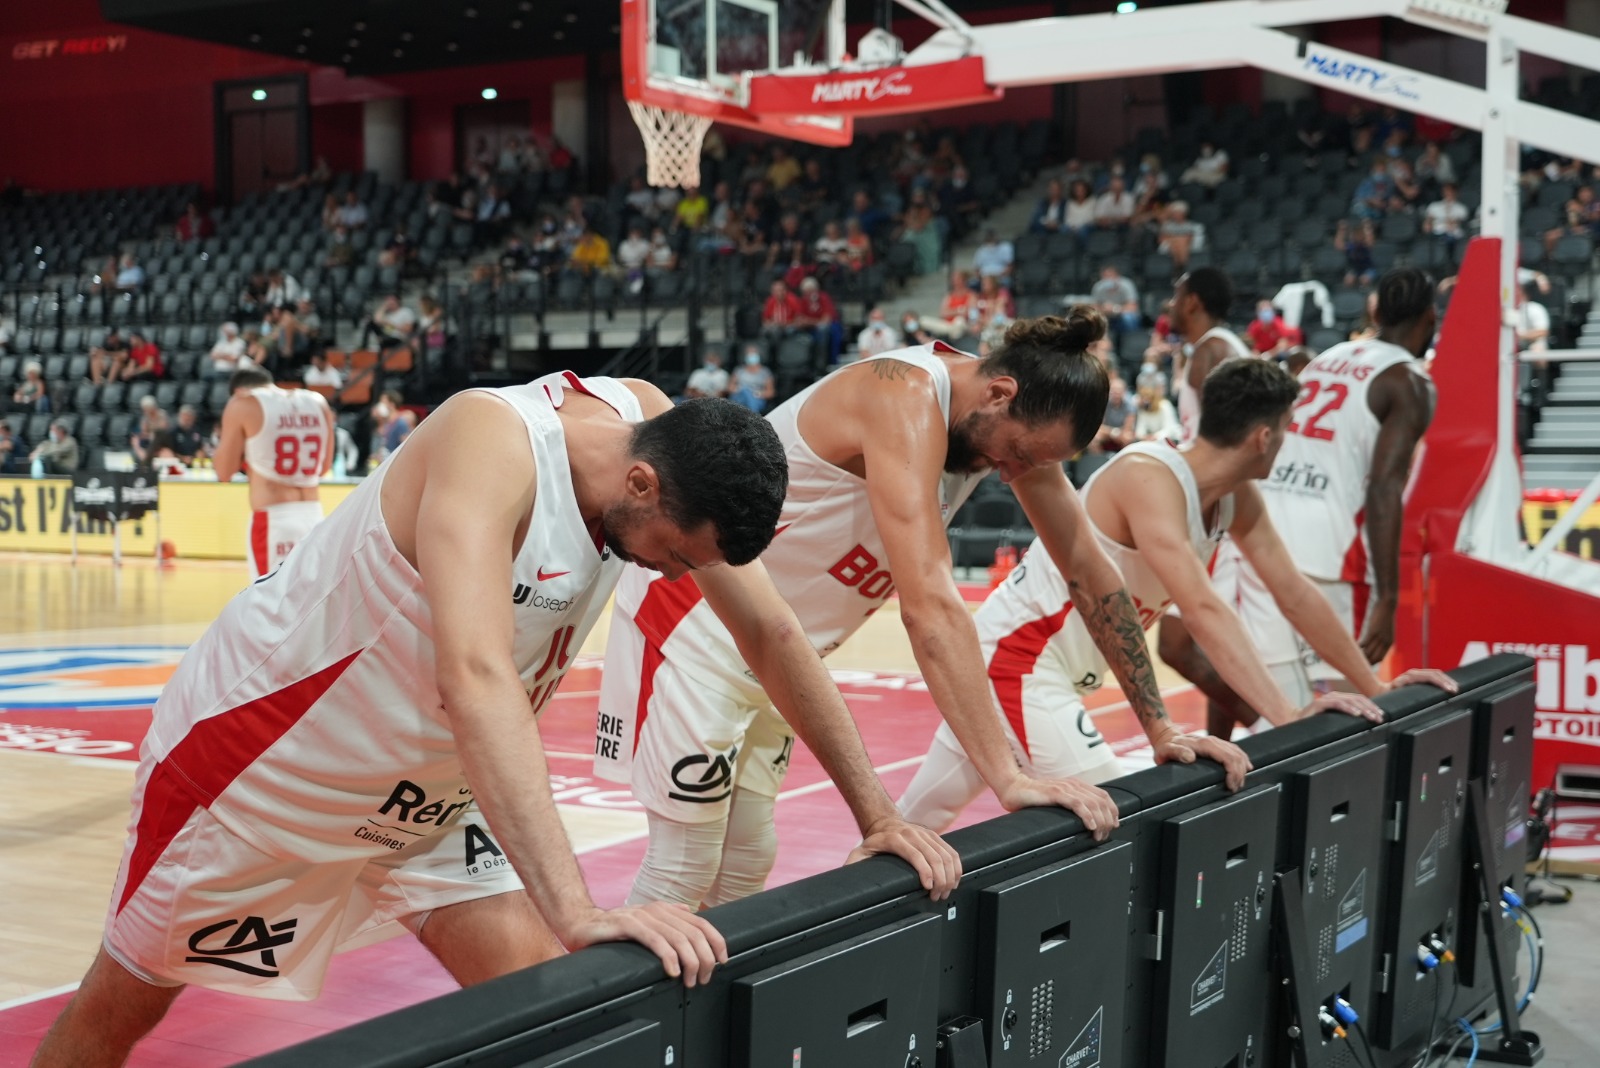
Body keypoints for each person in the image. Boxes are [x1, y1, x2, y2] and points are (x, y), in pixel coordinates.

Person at [30, 373, 963, 1068]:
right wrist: (579, 910)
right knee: (125, 1007)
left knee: (560, 1009)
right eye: (676, 556)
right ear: (641, 484)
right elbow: (475, 675)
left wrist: (876, 814)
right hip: (267, 764)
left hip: (429, 789)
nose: (676, 576)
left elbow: (771, 630)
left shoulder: (657, 430)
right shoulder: (493, 440)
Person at [593, 311, 1249, 910]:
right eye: (1016, 454)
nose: (1010, 472)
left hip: (781, 652)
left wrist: (1159, 726)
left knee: (746, 861)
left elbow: (1088, 568)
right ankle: (617, 1032)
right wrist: (1010, 778)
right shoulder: (903, 395)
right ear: (1000, 393)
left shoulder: (1001, 424)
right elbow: (931, 606)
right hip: (692, 617)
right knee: (684, 868)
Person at [898, 359, 1455, 828]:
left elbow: (1294, 592)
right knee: (1127, 823)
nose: (1287, 444)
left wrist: (1374, 687)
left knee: (916, 825)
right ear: (1265, 437)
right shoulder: (1149, 475)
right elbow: (1202, 605)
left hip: (1046, 670)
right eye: (1287, 429)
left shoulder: (1235, 498)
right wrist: (1287, 715)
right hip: (1019, 662)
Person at [1219, 268, 1443, 729]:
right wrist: (1388, 597)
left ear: (1374, 310)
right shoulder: (1411, 382)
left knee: (1279, 712)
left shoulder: (1328, 357)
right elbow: (1384, 489)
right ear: (1429, 317)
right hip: (1332, 552)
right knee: (1355, 707)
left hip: (1266, 539)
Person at [212, 366, 335, 580]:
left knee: (267, 605)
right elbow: (324, 468)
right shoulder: (317, 401)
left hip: (274, 520)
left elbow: (223, 472)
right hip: (314, 516)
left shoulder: (242, 403)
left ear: (239, 390)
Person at [1169, 268, 1250, 446]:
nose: (1171, 305)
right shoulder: (1214, 345)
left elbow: (1224, 433)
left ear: (1192, 302)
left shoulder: (1211, 348)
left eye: (1177, 297)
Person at [795, 278, 842, 365]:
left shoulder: (824, 298)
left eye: (810, 291)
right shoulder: (803, 300)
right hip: (809, 329)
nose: (807, 294)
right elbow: (800, 320)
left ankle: (822, 364)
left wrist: (809, 321)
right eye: (805, 292)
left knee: (823, 329)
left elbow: (826, 320)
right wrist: (815, 322)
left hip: (828, 328)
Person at [1424, 183, 1470, 261]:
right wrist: (1427, 224)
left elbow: (1459, 222)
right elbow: (1428, 222)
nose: (1448, 193)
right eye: (1446, 191)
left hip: (1454, 236)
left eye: (1450, 191)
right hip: (1436, 234)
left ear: (1455, 192)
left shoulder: (1461, 208)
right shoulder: (1434, 206)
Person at [1089, 265, 1140, 335]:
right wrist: (1103, 309)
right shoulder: (1098, 287)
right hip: (1105, 315)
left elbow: (1133, 307)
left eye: (1110, 276)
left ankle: (1131, 340)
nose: (1107, 279)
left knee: (1128, 318)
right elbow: (1094, 307)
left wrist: (1115, 308)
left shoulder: (1127, 285)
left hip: (1121, 315)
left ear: (1117, 276)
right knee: (1092, 318)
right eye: (1105, 276)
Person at [1091, 376, 1134, 453]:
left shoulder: (1130, 406)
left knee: (1128, 437)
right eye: (1114, 391)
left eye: (1119, 391)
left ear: (1124, 392)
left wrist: (1118, 433)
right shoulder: (1103, 404)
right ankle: (1100, 461)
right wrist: (1112, 432)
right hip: (1107, 433)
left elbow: (1128, 428)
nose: (1116, 394)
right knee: (1095, 438)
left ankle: (1122, 461)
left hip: (1122, 433)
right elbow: (1099, 426)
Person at [727, 348, 775, 413]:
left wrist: (757, 393)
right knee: (744, 391)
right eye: (749, 355)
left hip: (757, 399)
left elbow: (771, 393)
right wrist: (740, 389)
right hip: (739, 396)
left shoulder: (765, 372)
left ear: (758, 356)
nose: (751, 357)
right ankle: (754, 417)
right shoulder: (739, 371)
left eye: (753, 355)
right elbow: (730, 388)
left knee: (748, 394)